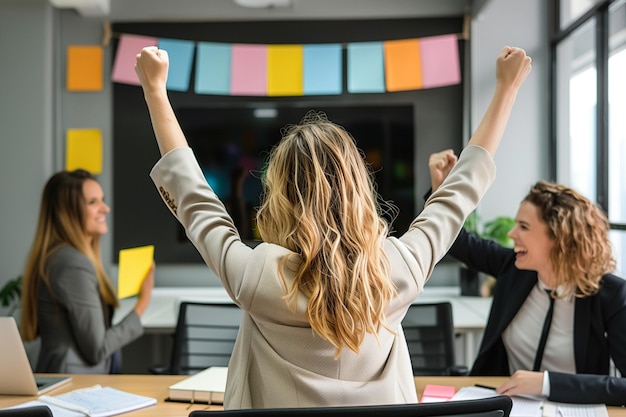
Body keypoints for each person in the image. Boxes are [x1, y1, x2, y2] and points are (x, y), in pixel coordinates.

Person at [135, 45, 531, 409]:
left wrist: (155, 90)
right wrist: (506, 89)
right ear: (359, 188)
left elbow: (194, 199)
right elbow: (458, 194)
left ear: (279, 198)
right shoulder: (399, 268)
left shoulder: (256, 276)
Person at [428, 149, 626, 406]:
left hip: (574, 410)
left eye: (523, 226)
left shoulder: (611, 295)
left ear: (559, 238)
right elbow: (457, 241)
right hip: (506, 405)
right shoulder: (513, 268)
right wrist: (441, 188)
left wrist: (546, 383)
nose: (511, 234)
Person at [20, 169, 154, 374]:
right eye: (93, 202)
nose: (106, 209)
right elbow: (97, 349)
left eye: (103, 200)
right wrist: (143, 302)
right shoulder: (72, 264)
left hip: (74, 381)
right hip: (73, 386)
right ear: (67, 213)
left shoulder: (60, 256)